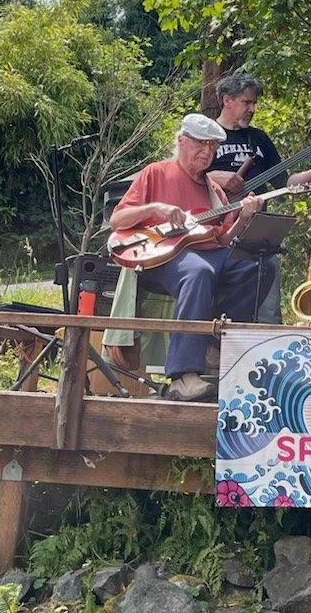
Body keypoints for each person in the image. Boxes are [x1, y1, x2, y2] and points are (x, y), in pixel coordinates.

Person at [109, 113, 266, 402]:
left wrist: (244, 218)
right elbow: (117, 220)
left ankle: (215, 342)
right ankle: (183, 375)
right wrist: (155, 208)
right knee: (198, 271)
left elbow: (223, 239)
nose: (207, 151)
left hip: (210, 252)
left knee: (256, 266)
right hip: (163, 256)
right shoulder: (156, 173)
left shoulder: (214, 190)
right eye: (200, 144)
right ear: (181, 141)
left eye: (212, 146)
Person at [207, 71, 311, 323]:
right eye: (246, 102)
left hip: (255, 229)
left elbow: (283, 181)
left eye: (254, 103)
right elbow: (184, 175)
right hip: (216, 228)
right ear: (227, 100)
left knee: (270, 276)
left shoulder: (259, 139)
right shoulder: (206, 136)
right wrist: (214, 177)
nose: (252, 109)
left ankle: (266, 333)